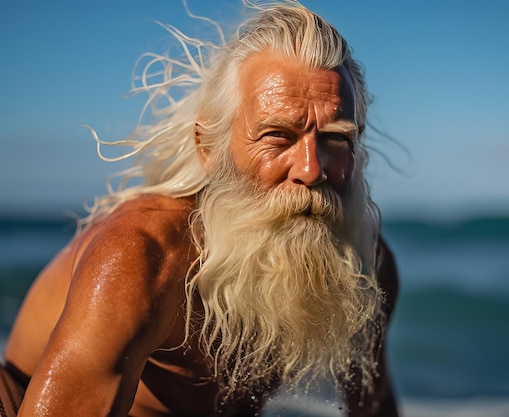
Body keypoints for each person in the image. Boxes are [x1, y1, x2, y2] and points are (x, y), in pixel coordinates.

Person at [1, 2, 399, 416]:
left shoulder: (365, 265)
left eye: (335, 139)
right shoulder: (141, 258)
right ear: (209, 148)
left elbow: (375, 407)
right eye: (277, 135)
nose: (311, 169)